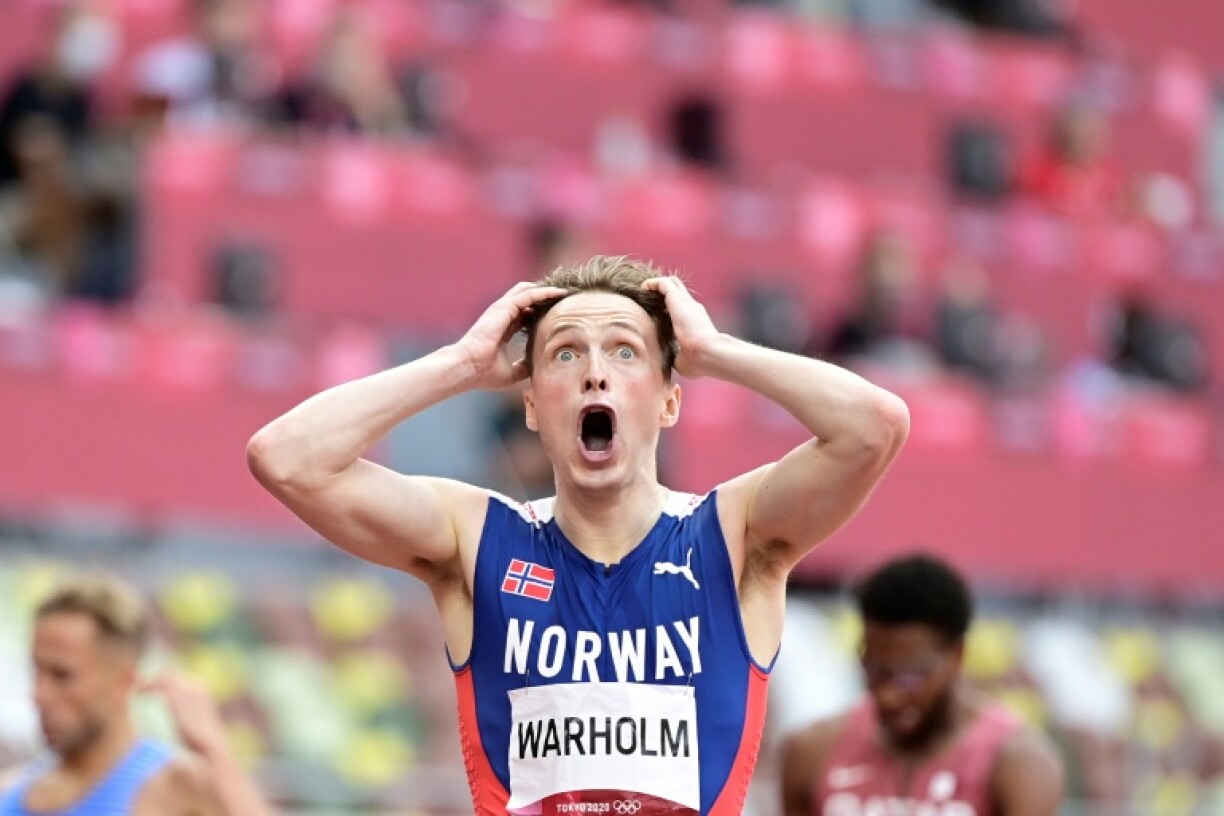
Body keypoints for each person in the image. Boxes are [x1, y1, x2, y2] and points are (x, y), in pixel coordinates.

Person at [247, 255, 910, 814]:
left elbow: (875, 427)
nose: (595, 371)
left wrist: (716, 353)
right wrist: (462, 363)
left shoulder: (736, 535)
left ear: (669, 399)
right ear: (532, 404)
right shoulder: (475, 539)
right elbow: (286, 458)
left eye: (625, 350)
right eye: (566, 353)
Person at [779, 554, 1064, 816]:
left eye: (910, 677)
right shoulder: (812, 751)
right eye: (876, 670)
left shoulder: (1018, 763)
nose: (889, 695)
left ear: (956, 656)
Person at [0, 572, 276, 816]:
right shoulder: (11, 790)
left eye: (62, 676)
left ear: (124, 681)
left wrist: (214, 749)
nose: (39, 695)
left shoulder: (178, 787)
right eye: (37, 671)